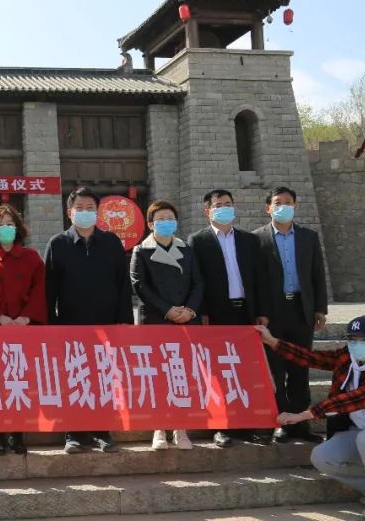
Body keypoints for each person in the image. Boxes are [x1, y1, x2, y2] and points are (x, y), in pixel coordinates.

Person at [258, 317, 365, 521]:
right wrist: (273, 341)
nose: (357, 344)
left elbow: (353, 399)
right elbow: (314, 358)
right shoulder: (349, 357)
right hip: (360, 430)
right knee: (323, 456)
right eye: (353, 339)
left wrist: (302, 415)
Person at [44, 187, 131, 454]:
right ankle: (73, 432)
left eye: (90, 208)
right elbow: (48, 290)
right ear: (69, 212)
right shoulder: (57, 244)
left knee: (104, 378)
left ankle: (101, 431)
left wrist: (124, 321)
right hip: (70, 324)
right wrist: (51, 325)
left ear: (97, 211)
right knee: (74, 377)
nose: (85, 212)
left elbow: (123, 284)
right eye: (79, 208)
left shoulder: (111, 242)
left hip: (107, 323)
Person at [187, 189, 272, 447]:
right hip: (216, 314)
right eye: (218, 205)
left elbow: (260, 278)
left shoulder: (249, 240)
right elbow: (196, 280)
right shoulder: (198, 241)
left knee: (247, 370)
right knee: (218, 372)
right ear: (208, 211)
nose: (224, 208)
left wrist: (262, 311)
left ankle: (249, 425)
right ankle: (221, 426)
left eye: (228, 204)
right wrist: (202, 311)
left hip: (246, 312)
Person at [254, 186, 328, 444]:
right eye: (278, 202)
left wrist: (320, 308)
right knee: (276, 371)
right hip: (273, 313)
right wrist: (260, 312)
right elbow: (256, 280)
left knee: (300, 368)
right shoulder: (257, 239)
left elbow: (317, 275)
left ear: (295, 206)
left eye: (288, 202)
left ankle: (300, 423)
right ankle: (281, 423)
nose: (283, 206)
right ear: (268, 208)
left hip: (301, 310)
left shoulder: (308, 237)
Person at [0, 203, 46, 456]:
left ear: (18, 227)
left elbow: (39, 290)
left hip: (24, 329)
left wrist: (27, 316)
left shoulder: (32, 258)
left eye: (10, 223)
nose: (6, 228)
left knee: (20, 381)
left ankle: (17, 434)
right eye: (1, 224)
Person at [130, 199, 203, 451]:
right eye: (160, 219)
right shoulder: (142, 251)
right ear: (150, 224)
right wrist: (168, 310)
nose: (165, 223)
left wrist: (190, 310)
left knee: (182, 374)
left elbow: (198, 283)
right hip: (156, 320)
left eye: (170, 218)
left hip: (186, 320)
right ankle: (159, 427)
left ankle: (181, 428)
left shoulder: (187, 249)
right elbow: (139, 285)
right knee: (159, 376)